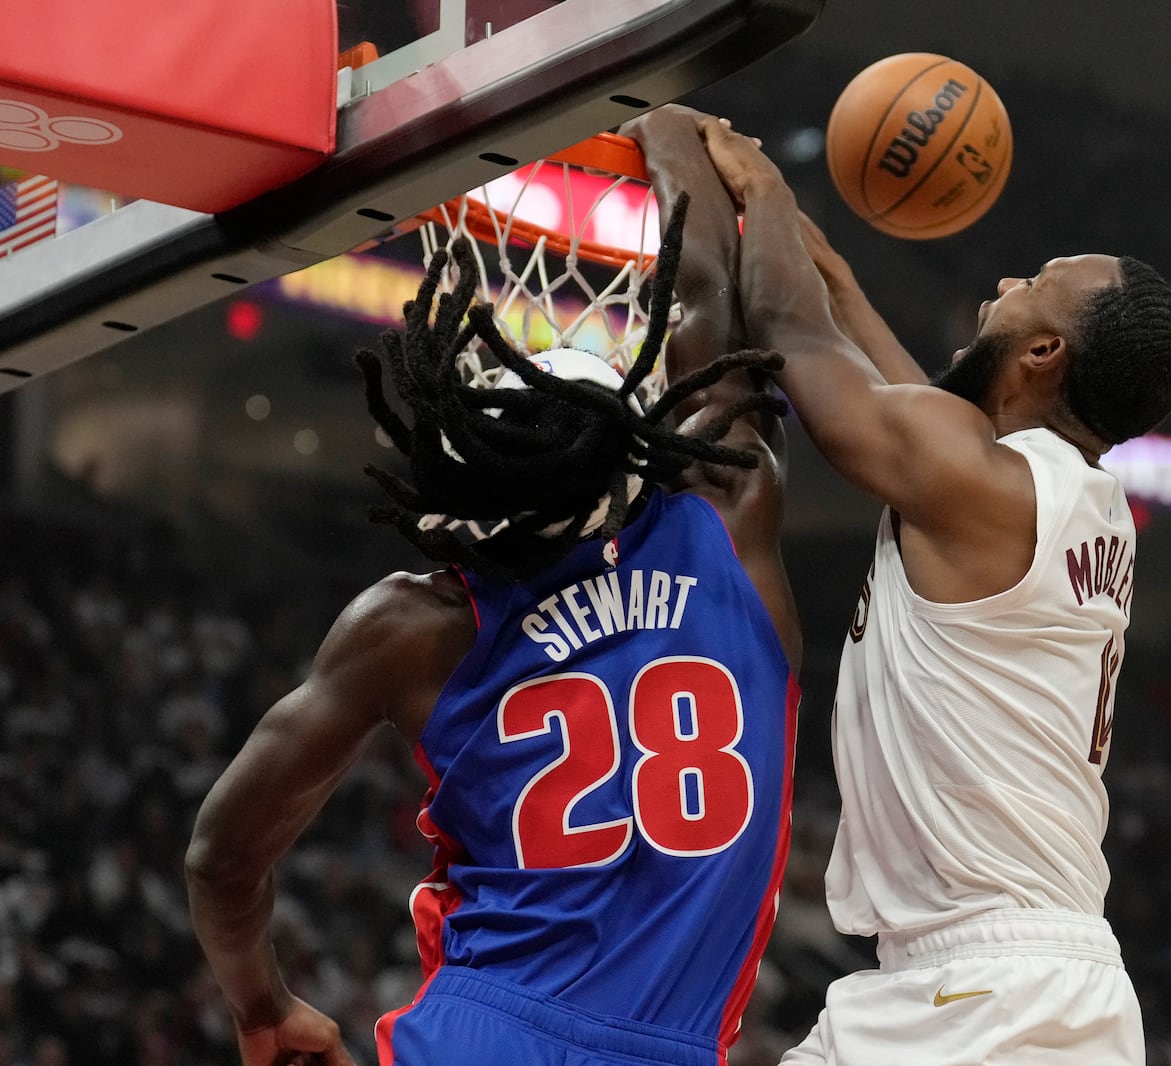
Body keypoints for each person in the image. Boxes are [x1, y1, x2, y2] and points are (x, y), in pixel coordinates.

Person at [184, 105, 802, 1066]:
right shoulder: (728, 511)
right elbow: (706, 297)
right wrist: (669, 126)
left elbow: (220, 857)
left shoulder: (411, 624)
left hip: (476, 1035)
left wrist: (265, 1007)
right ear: (628, 446)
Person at [689, 116, 1171, 1065]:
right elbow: (912, 395)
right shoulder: (1060, 495)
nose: (1004, 285)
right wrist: (832, 270)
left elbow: (804, 346)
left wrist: (760, 187)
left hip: (988, 997)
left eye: (1031, 285)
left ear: (1044, 355)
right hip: (1000, 982)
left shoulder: (985, 488)